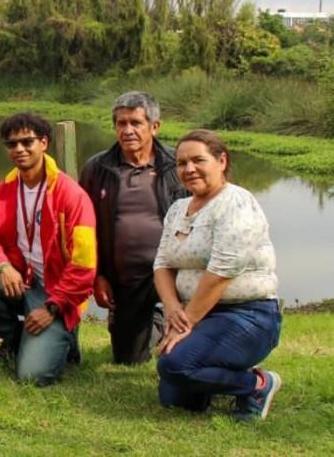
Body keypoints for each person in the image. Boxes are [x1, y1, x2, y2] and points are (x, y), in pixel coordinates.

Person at [154, 129, 282, 422]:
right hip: (195, 313)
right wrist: (173, 310)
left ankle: (257, 384)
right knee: (174, 399)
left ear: (221, 161)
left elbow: (222, 271)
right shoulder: (177, 209)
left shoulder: (236, 203)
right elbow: (161, 264)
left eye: (198, 160)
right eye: (181, 163)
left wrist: (185, 324)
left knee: (175, 366)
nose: (189, 169)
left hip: (246, 316)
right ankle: (220, 373)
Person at [0, 113, 96, 386]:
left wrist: (53, 307)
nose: (19, 149)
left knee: (33, 376)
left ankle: (65, 337)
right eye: (12, 144)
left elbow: (84, 267)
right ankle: (14, 337)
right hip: (21, 281)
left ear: (44, 142)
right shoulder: (5, 190)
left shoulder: (71, 196)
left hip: (57, 291)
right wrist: (3, 267)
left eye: (27, 142)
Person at [79, 91, 188, 365]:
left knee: (189, 343)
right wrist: (98, 275)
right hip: (126, 275)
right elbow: (86, 229)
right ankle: (156, 323)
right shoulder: (97, 168)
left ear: (155, 126)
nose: (127, 130)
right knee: (129, 358)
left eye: (136, 123)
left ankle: (179, 322)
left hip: (175, 269)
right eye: (121, 123)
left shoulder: (178, 166)